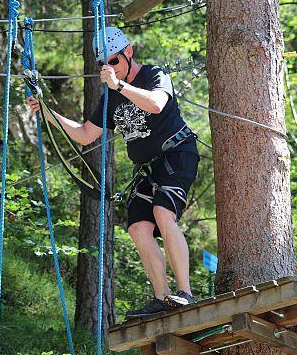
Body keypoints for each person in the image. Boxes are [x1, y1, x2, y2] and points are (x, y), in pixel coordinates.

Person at [26, 27, 200, 318]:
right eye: (103, 65)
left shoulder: (153, 75)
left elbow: (157, 105)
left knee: (162, 213)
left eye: (114, 61)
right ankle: (162, 297)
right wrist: (46, 113)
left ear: (128, 52)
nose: (110, 68)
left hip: (177, 153)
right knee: (137, 227)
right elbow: (84, 134)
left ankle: (186, 293)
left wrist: (119, 86)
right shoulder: (109, 98)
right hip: (148, 168)